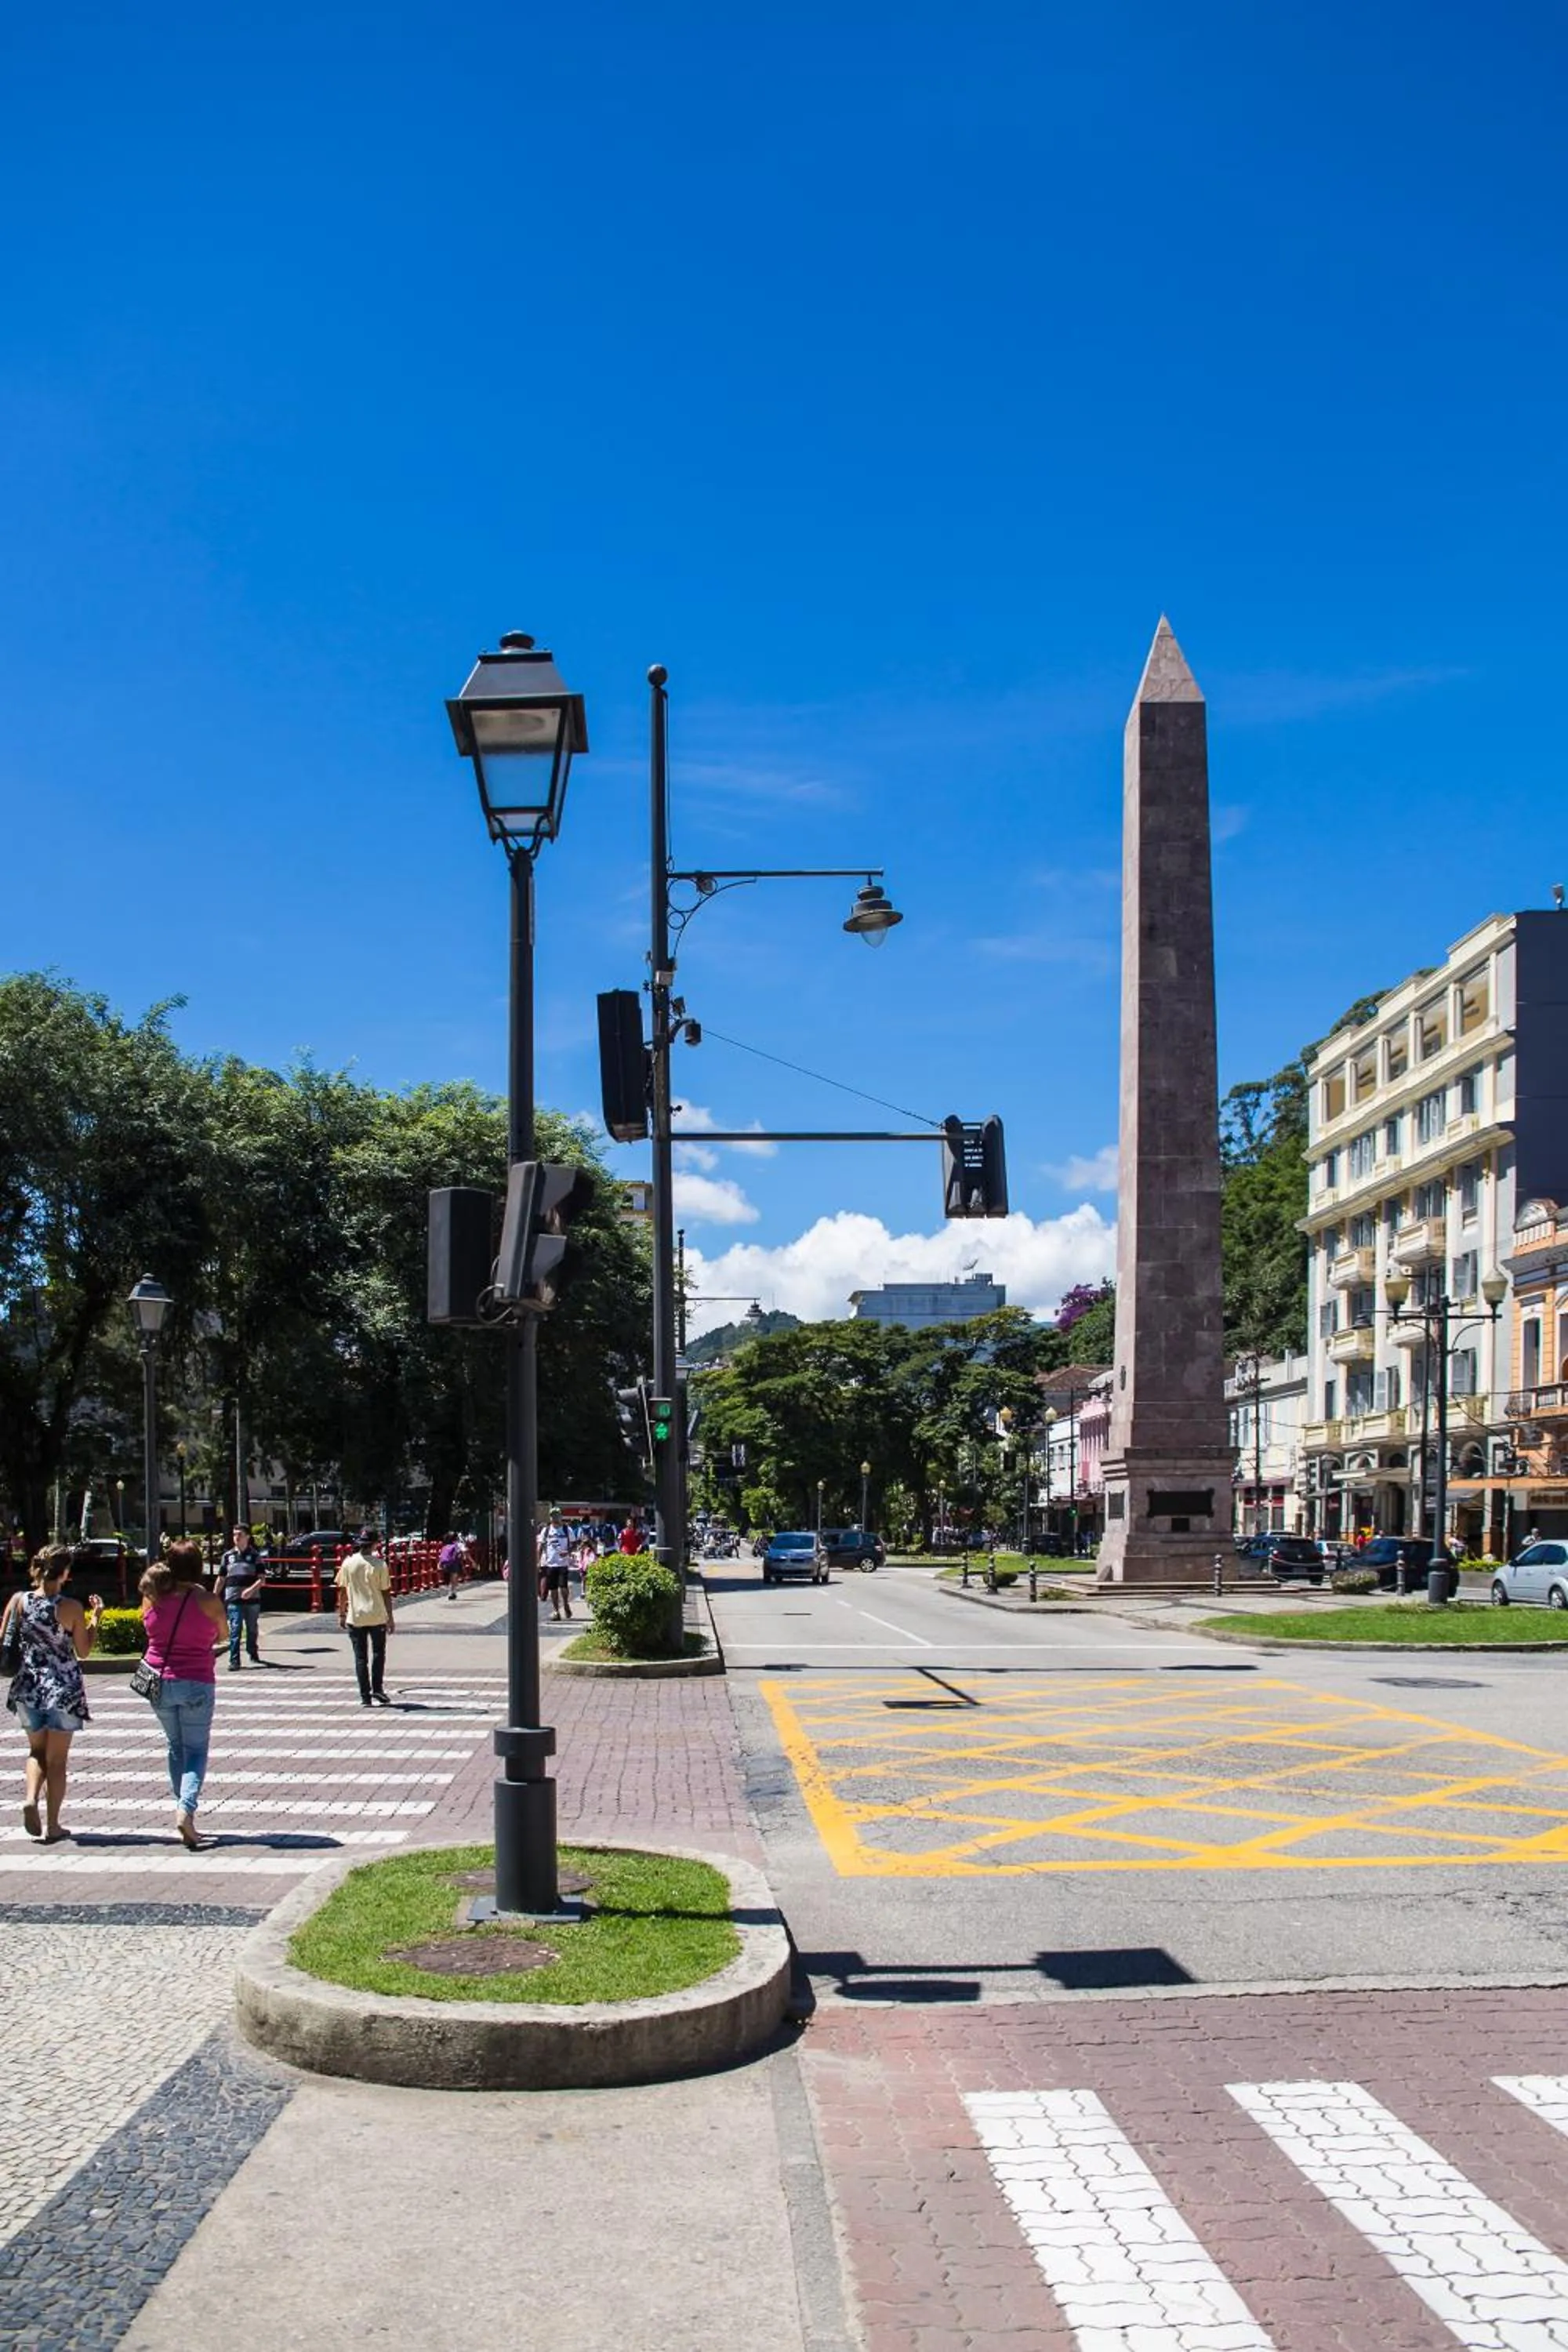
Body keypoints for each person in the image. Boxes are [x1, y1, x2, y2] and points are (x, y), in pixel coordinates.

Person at [3, 1545, 103, 1843]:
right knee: (57, 1760)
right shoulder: (70, 1607)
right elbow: (83, 1651)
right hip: (62, 1689)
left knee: (36, 1751)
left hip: (28, 1686)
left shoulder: (19, 1601)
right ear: (65, 1573)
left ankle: (30, 1799)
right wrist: (95, 1617)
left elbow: (4, 1640)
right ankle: (54, 1825)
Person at [140, 1538, 227, 1852]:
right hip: (196, 1679)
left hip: (157, 1680)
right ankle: (186, 1810)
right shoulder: (207, 1600)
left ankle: (182, 1809)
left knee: (175, 1746)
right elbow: (223, 1634)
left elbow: (148, 1627)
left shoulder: (153, 1598)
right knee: (196, 1750)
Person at [336, 1528, 394, 1706]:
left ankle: (365, 1695)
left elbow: (343, 1591)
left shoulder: (348, 1563)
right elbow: (386, 1593)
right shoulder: (379, 1565)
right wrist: (390, 1617)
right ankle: (378, 1688)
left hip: (356, 1616)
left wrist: (342, 1613)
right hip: (376, 1615)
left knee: (360, 1657)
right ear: (375, 1544)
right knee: (378, 1653)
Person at [216, 1523, 266, 1670]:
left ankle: (252, 1651)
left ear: (247, 1537)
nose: (236, 1537)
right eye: (234, 1534)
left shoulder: (255, 1557)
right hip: (233, 1598)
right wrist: (214, 1594)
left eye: (240, 1535)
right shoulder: (227, 1556)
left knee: (251, 1628)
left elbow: (262, 1579)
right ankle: (234, 1660)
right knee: (235, 1628)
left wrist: (251, 1590)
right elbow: (221, 1578)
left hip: (252, 1599)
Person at [538, 1512, 574, 1621]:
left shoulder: (567, 1530)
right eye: (553, 1515)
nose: (555, 1517)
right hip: (550, 1563)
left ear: (561, 1517)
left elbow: (574, 1544)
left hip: (563, 1563)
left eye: (557, 1515)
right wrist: (538, 1561)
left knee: (563, 1587)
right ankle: (556, 1611)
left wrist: (567, 1552)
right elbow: (541, 1545)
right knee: (553, 1588)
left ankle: (566, 1604)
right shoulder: (546, 1530)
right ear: (550, 1517)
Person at [437, 1531, 464, 1600]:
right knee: (454, 1578)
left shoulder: (445, 1546)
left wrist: (439, 1564)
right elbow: (462, 1552)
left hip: (446, 1564)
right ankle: (453, 1592)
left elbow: (441, 1556)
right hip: (454, 1563)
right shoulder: (457, 1545)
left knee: (450, 1578)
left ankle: (451, 1591)